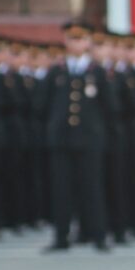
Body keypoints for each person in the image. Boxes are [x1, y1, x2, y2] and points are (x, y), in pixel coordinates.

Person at [42, 20, 115, 253]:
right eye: (72, 38)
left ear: (88, 42)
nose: (76, 43)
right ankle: (61, 236)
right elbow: (42, 103)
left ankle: (98, 235)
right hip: (62, 138)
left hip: (89, 138)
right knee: (62, 190)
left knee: (92, 188)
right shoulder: (57, 71)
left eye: (81, 39)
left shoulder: (98, 73)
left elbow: (110, 106)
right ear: (65, 40)